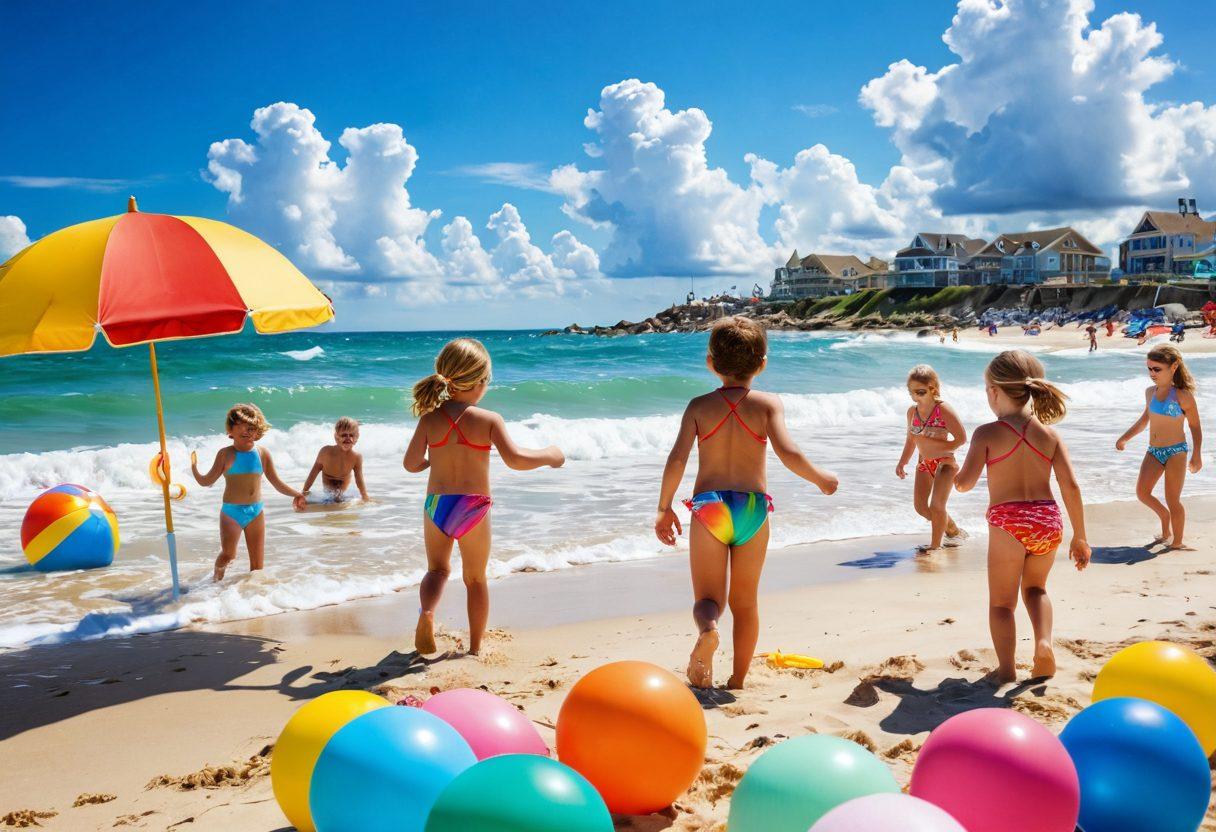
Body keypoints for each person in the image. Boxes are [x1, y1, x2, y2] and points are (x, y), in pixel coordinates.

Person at [655, 317, 838, 689]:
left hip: (709, 508)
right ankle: (737, 681)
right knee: (746, 603)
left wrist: (664, 506)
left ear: (710, 362)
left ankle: (708, 629)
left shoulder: (698, 406)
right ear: (763, 363)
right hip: (753, 509)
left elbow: (677, 459)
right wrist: (820, 478)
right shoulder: (768, 405)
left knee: (709, 599)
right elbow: (789, 452)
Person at [404, 338, 564, 656]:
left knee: (437, 570)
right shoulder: (489, 420)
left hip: (437, 505)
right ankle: (475, 648)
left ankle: (426, 613)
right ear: (480, 382)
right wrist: (549, 454)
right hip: (472, 506)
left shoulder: (429, 419)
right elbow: (515, 459)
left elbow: (410, 464)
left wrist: (431, 461)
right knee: (475, 579)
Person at [955, 351, 1090, 683]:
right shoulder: (1051, 435)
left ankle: (1006, 670)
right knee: (1036, 589)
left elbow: (964, 483)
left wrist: (950, 473)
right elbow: (1070, 486)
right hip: (1048, 520)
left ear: (994, 391)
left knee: (1002, 604)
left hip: (1009, 522)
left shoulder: (986, 433)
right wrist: (1080, 536)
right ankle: (1043, 642)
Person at [191, 403, 306, 581]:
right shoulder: (225, 454)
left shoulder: (262, 454)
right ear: (230, 430)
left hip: (255, 512)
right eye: (242, 426)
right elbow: (206, 481)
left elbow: (276, 482)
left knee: (257, 567)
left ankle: (253, 598)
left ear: (258, 431)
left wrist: (297, 494)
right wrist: (194, 468)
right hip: (232, 513)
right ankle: (214, 582)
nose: (248, 431)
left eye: (252, 427)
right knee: (229, 555)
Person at [1115, 345, 1203, 549]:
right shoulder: (1150, 393)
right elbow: (1144, 420)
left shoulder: (1183, 396)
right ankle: (1164, 517)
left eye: (1157, 369)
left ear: (1173, 367)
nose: (1152, 374)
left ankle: (1177, 542)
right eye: (1149, 369)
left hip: (1176, 452)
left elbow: (1195, 426)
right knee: (1142, 492)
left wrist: (1196, 454)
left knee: (1173, 499)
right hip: (1154, 451)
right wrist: (1124, 438)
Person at [897, 365, 968, 552]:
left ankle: (935, 547)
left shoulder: (943, 409)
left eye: (920, 392)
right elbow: (911, 440)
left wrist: (932, 444)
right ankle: (953, 530)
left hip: (945, 463)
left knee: (937, 506)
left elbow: (961, 439)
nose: (915, 397)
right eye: (911, 392)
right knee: (921, 507)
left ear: (933, 389)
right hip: (924, 464)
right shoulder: (912, 412)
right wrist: (902, 462)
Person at [302, 417, 369, 504]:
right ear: (336, 437)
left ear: (356, 438)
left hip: (344, 481)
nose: (348, 438)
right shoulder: (325, 452)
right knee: (332, 499)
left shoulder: (356, 457)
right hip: (328, 479)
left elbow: (359, 478)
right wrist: (305, 491)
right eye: (344, 435)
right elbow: (314, 472)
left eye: (351, 435)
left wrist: (364, 495)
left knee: (340, 501)